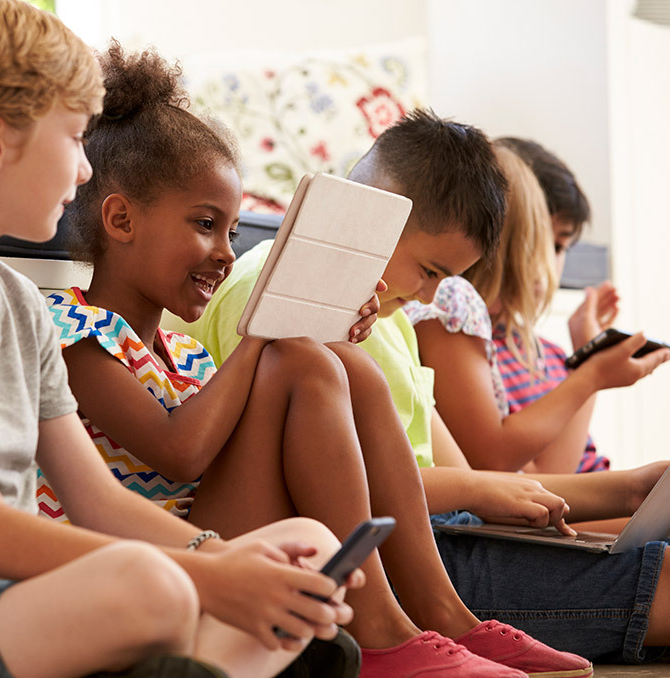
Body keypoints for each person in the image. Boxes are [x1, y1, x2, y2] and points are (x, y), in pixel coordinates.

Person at [0, 3, 366, 677]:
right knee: (151, 588)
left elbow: (98, 501)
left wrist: (220, 556)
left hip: (18, 608)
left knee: (302, 543)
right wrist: (209, 583)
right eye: (71, 139)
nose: (87, 172)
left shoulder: (17, 304)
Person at [43, 45, 593, 678]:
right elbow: (181, 453)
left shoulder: (187, 357)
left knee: (338, 364)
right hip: (155, 569)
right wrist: (266, 333)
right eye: (205, 224)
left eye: (230, 232)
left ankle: (439, 614)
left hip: (223, 547)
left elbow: (255, 447)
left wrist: (325, 338)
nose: (225, 252)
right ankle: (380, 631)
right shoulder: (75, 332)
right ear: (120, 218)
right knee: (299, 359)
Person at [187, 108, 670, 664]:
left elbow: (459, 476)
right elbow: (335, 477)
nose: (425, 296)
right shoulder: (277, 292)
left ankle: (446, 619)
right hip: (382, 544)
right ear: (374, 218)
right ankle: (407, 628)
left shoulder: (384, 319)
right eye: (431, 270)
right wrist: (476, 491)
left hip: (428, 536)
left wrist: (629, 489)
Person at [405, 142, 668, 474]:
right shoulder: (451, 308)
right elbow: (532, 479)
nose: (547, 260)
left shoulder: (548, 355)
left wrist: (588, 366)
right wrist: (591, 371)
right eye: (543, 241)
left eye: (559, 247)